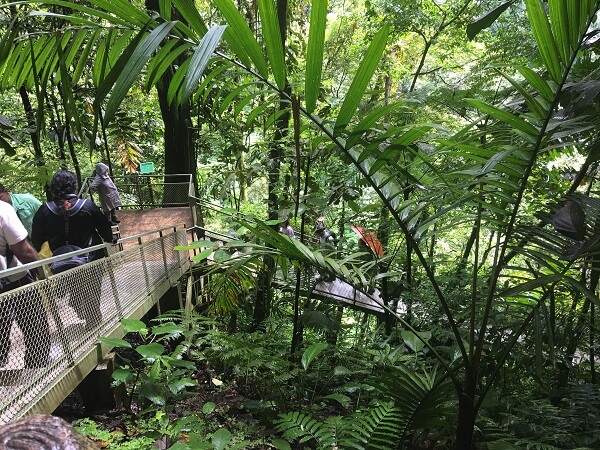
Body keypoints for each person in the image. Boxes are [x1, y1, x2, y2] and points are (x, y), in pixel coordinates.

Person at [31, 170, 114, 331]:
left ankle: (86, 313)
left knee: (73, 289)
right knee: (92, 290)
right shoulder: (87, 206)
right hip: (91, 258)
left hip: (62, 262)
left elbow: (36, 240)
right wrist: (110, 240)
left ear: (53, 189)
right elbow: (106, 231)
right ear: (74, 186)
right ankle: (93, 319)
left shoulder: (45, 210)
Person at [0, 200, 50, 369]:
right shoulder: (3, 210)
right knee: (35, 325)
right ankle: (38, 369)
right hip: (14, 278)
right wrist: (42, 275)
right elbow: (25, 251)